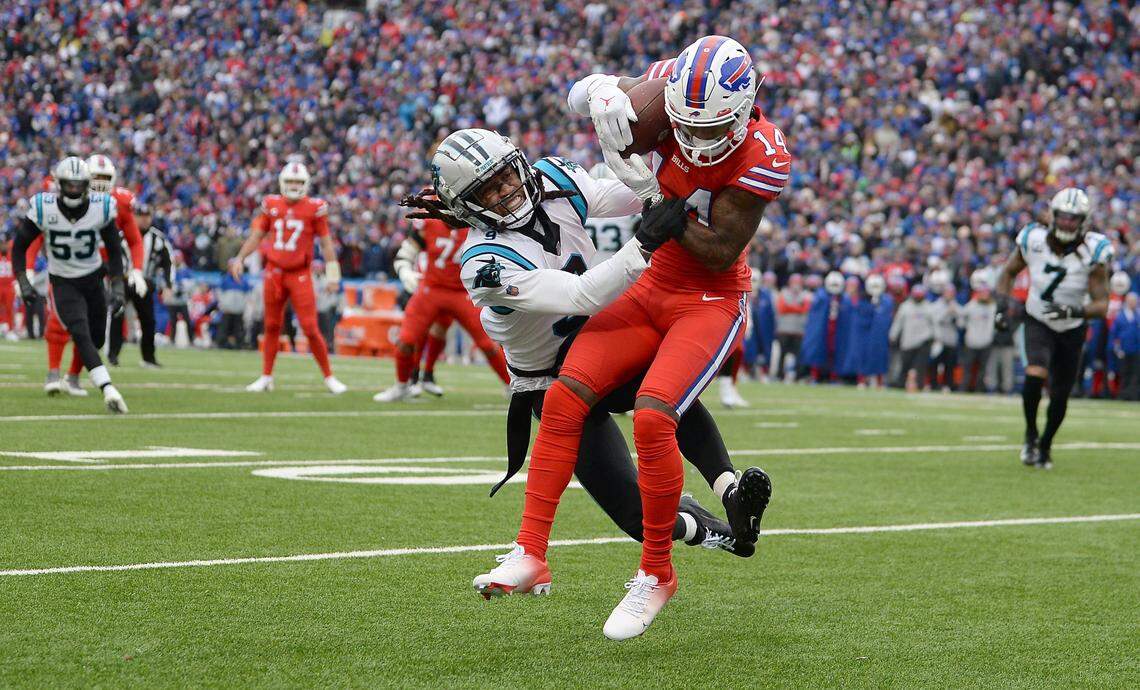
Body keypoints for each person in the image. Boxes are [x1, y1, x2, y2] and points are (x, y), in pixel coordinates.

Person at [479, 36, 782, 640]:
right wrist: (599, 89)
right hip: (647, 284)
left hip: (708, 298)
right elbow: (582, 98)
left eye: (710, 127)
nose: (694, 141)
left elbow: (721, 250)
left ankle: (656, 574)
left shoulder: (763, 154)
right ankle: (530, 550)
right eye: (683, 125)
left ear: (745, 107)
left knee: (652, 418)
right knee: (563, 399)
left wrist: (649, 194)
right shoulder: (667, 84)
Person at [410, 129, 747, 581]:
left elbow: (629, 197)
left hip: (598, 343)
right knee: (636, 518)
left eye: (506, 176)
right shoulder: (482, 262)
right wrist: (643, 244)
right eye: (487, 190)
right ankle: (710, 531)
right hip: (550, 379)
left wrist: (674, 172)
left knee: (663, 397)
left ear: (519, 161)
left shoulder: (555, 180)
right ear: (467, 206)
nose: (506, 191)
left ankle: (731, 489)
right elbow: (580, 294)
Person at [995, 188, 1112, 469]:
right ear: (1053, 215)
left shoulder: (1093, 251)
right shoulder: (1033, 239)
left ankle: (1045, 444)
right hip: (1038, 318)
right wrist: (1001, 307)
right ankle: (1030, 434)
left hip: (1072, 325)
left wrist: (1074, 310)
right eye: (1063, 217)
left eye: (1074, 219)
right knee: (1035, 373)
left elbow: (1101, 304)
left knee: (1060, 394)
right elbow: (1008, 273)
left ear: (1083, 221)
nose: (1067, 223)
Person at [11, 157, 128, 413]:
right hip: (63, 280)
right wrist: (22, 278)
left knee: (96, 336)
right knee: (79, 329)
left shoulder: (102, 207)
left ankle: (75, 376)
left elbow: (114, 249)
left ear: (86, 185)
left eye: (78, 185)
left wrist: (118, 284)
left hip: (93, 277)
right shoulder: (45, 207)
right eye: (69, 185)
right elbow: (19, 246)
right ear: (59, 184)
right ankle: (106, 387)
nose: (74, 190)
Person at [375, 193, 509, 402]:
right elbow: (409, 249)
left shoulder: (477, 225)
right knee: (406, 340)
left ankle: (514, 388)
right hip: (431, 289)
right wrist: (404, 270)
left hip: (463, 293)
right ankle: (402, 385)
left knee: (488, 344)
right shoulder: (428, 223)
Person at [231, 162, 347, 394]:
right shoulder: (271, 204)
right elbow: (257, 235)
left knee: (310, 327)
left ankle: (329, 377)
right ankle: (266, 376)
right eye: (291, 182)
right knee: (272, 325)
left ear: (306, 184)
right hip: (274, 273)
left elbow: (325, 243)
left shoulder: (315, 207)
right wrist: (240, 258)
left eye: (298, 182)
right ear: (283, 183)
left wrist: (333, 275)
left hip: (300, 274)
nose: (294, 186)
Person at [108, 202, 172, 367]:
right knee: (117, 316)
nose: (144, 220)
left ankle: (148, 358)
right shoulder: (121, 235)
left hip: (145, 282)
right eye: (140, 216)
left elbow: (168, 262)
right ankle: (112, 355)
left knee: (148, 321)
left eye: (147, 216)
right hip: (123, 280)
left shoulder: (157, 238)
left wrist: (168, 285)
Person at [889, 285, 934, 391]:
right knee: (905, 365)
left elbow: (934, 324)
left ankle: (919, 385)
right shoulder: (905, 306)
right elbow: (898, 322)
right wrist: (893, 334)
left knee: (920, 367)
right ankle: (901, 384)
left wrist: (936, 338)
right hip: (908, 341)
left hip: (923, 341)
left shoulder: (928, 307)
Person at [958, 286, 996, 393]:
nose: (984, 296)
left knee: (983, 370)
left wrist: (991, 335)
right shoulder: (972, 305)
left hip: (986, 342)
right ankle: (963, 389)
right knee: (967, 369)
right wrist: (964, 327)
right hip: (971, 342)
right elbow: (961, 317)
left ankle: (979, 390)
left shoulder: (992, 307)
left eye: (986, 293)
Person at [775, 273, 810, 382]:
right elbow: (782, 308)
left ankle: (797, 376)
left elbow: (805, 309)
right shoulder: (783, 293)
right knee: (782, 355)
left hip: (798, 331)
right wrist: (797, 307)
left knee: (798, 355)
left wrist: (790, 307)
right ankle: (779, 375)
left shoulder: (805, 295)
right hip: (784, 330)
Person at [1110, 292, 1139, 401]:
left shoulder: (1138, 315)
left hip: (1137, 349)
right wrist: (1117, 348)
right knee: (1124, 373)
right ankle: (1123, 394)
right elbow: (1114, 334)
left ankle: (1133, 395)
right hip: (1124, 349)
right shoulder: (1120, 316)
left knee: (1136, 373)